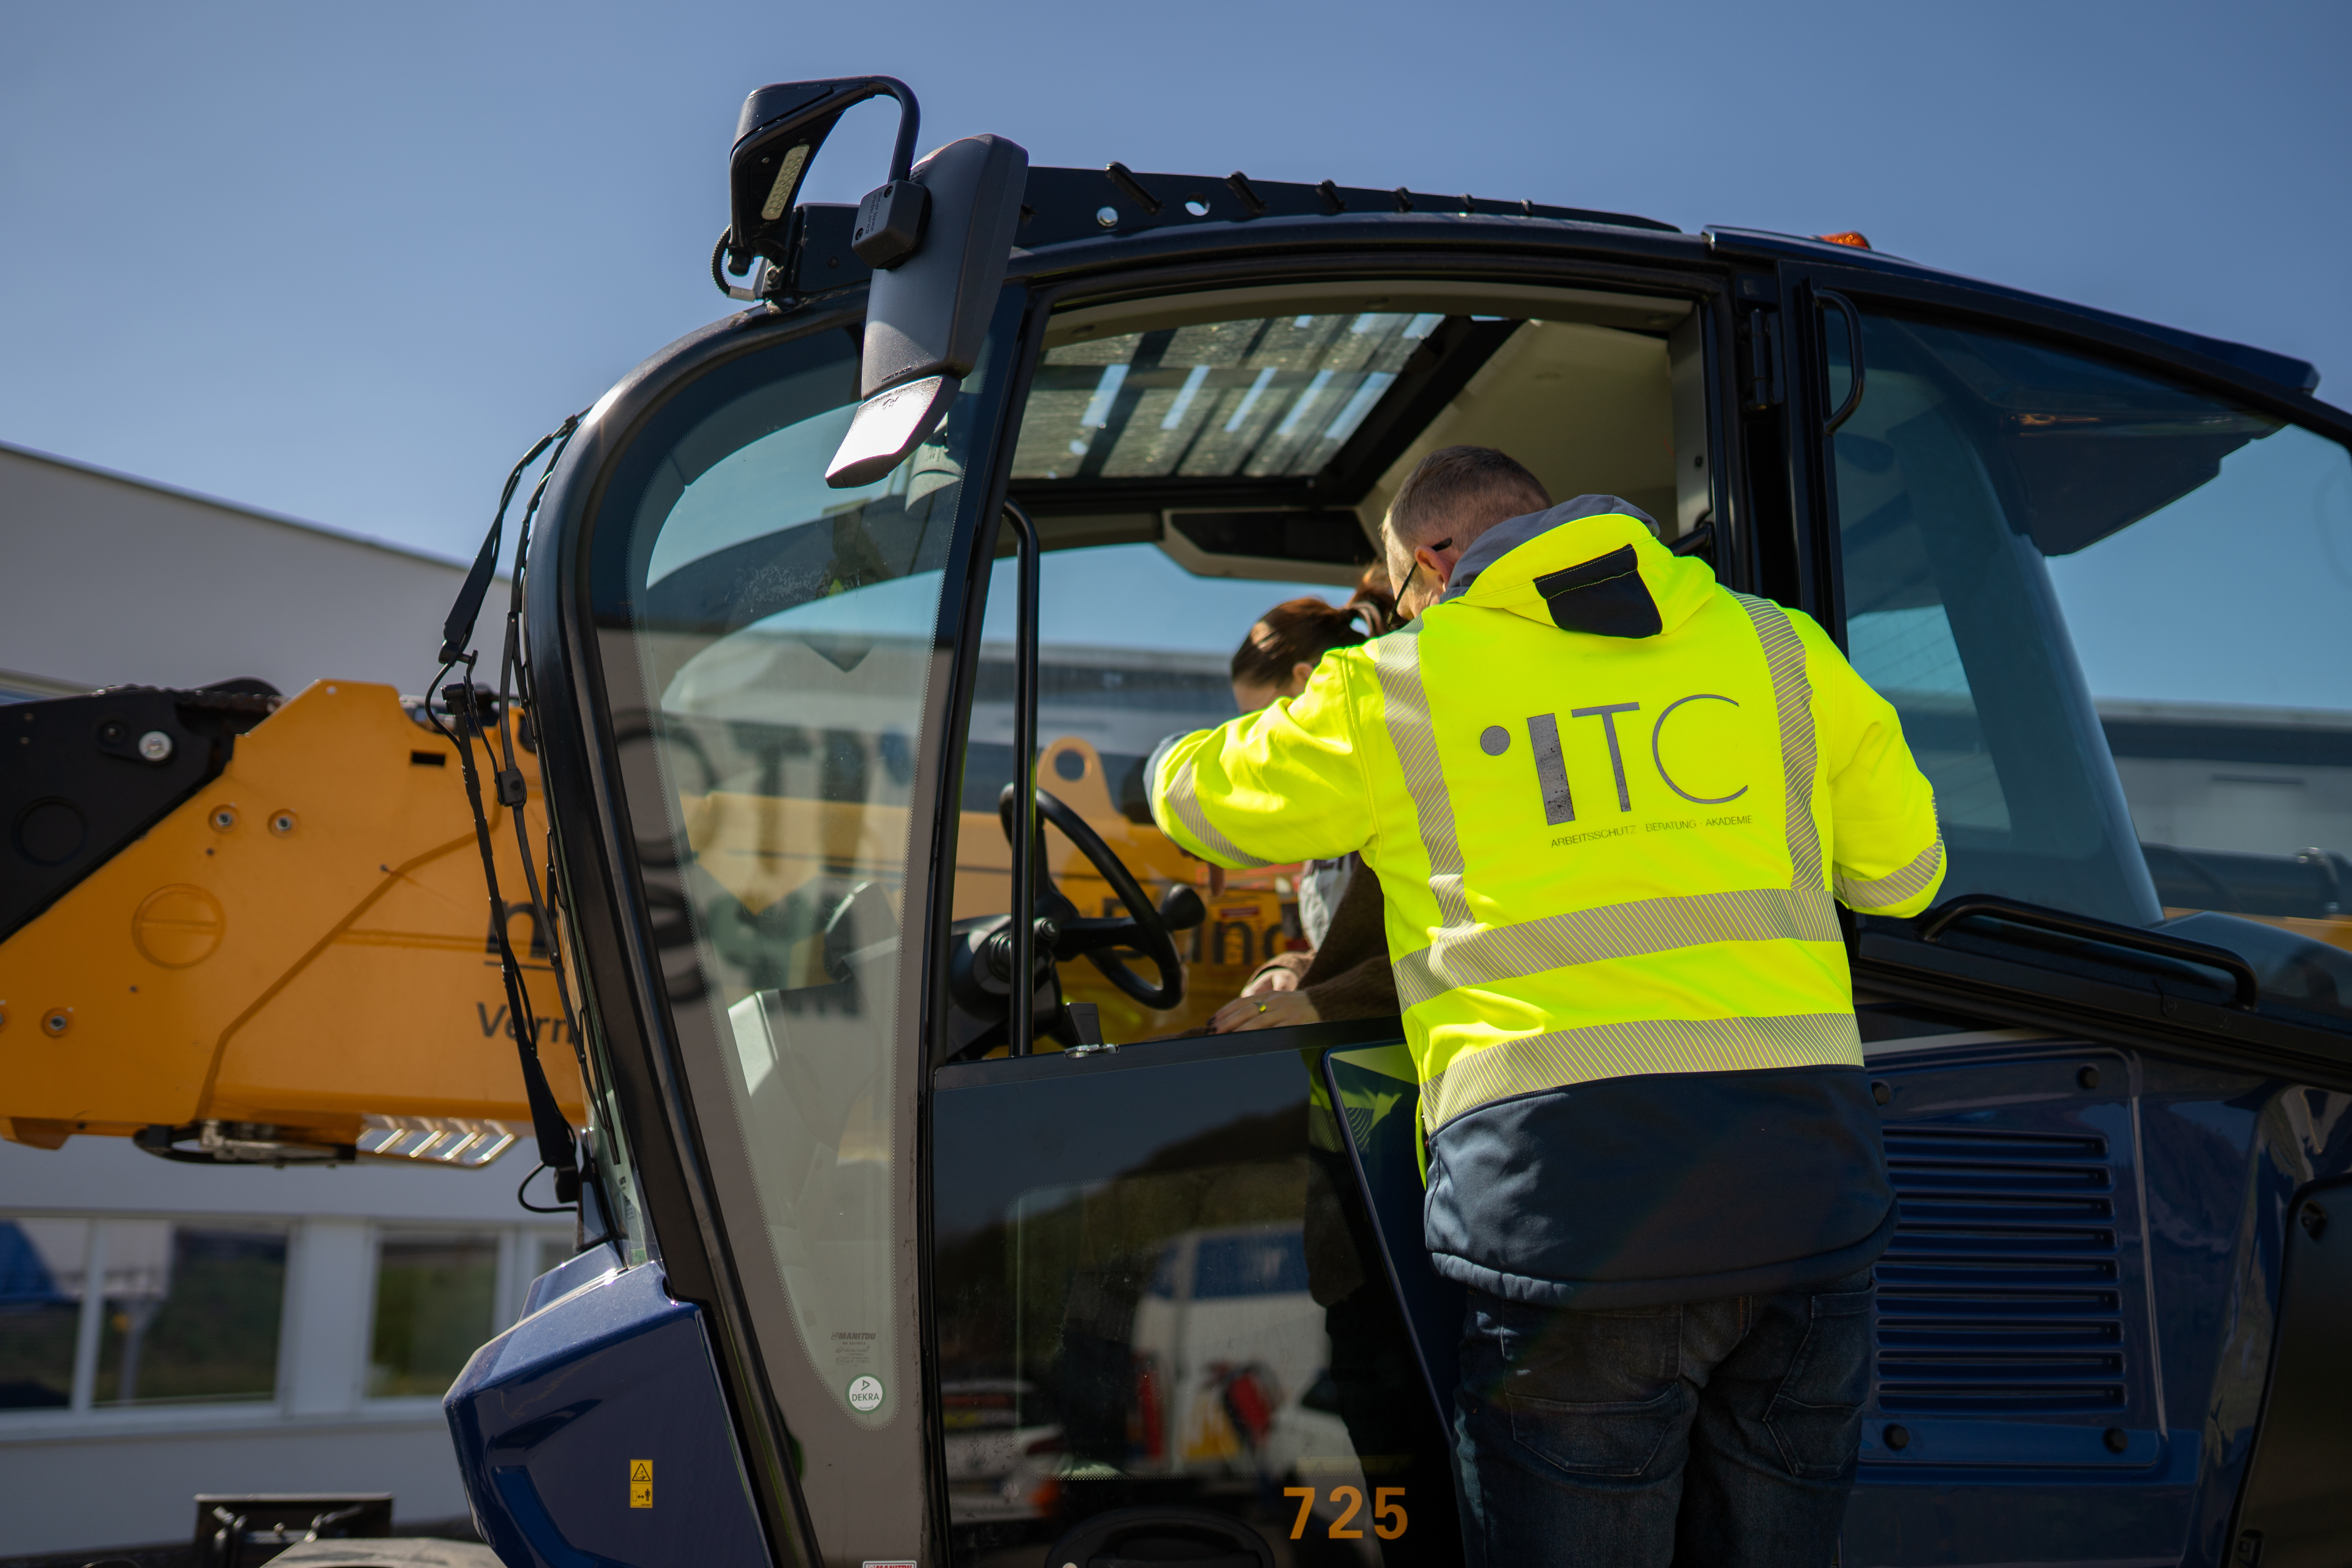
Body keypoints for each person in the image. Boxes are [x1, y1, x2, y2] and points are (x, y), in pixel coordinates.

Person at [1147, 443, 1944, 1564]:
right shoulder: (1781, 646)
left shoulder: (1402, 682)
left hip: (1569, 1223)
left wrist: (1173, 754)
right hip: (1808, 1207)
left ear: (1434, 559)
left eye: (1402, 588)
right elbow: (1906, 878)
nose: (1404, 611)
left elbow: (1202, 803)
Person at [1210, 572, 1400, 1034]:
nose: (1254, 741)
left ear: (1306, 680)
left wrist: (1325, 1002)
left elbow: (1445, 952)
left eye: (1257, 720)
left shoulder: (1401, 779)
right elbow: (1350, 948)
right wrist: (1290, 971)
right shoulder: (1324, 801)